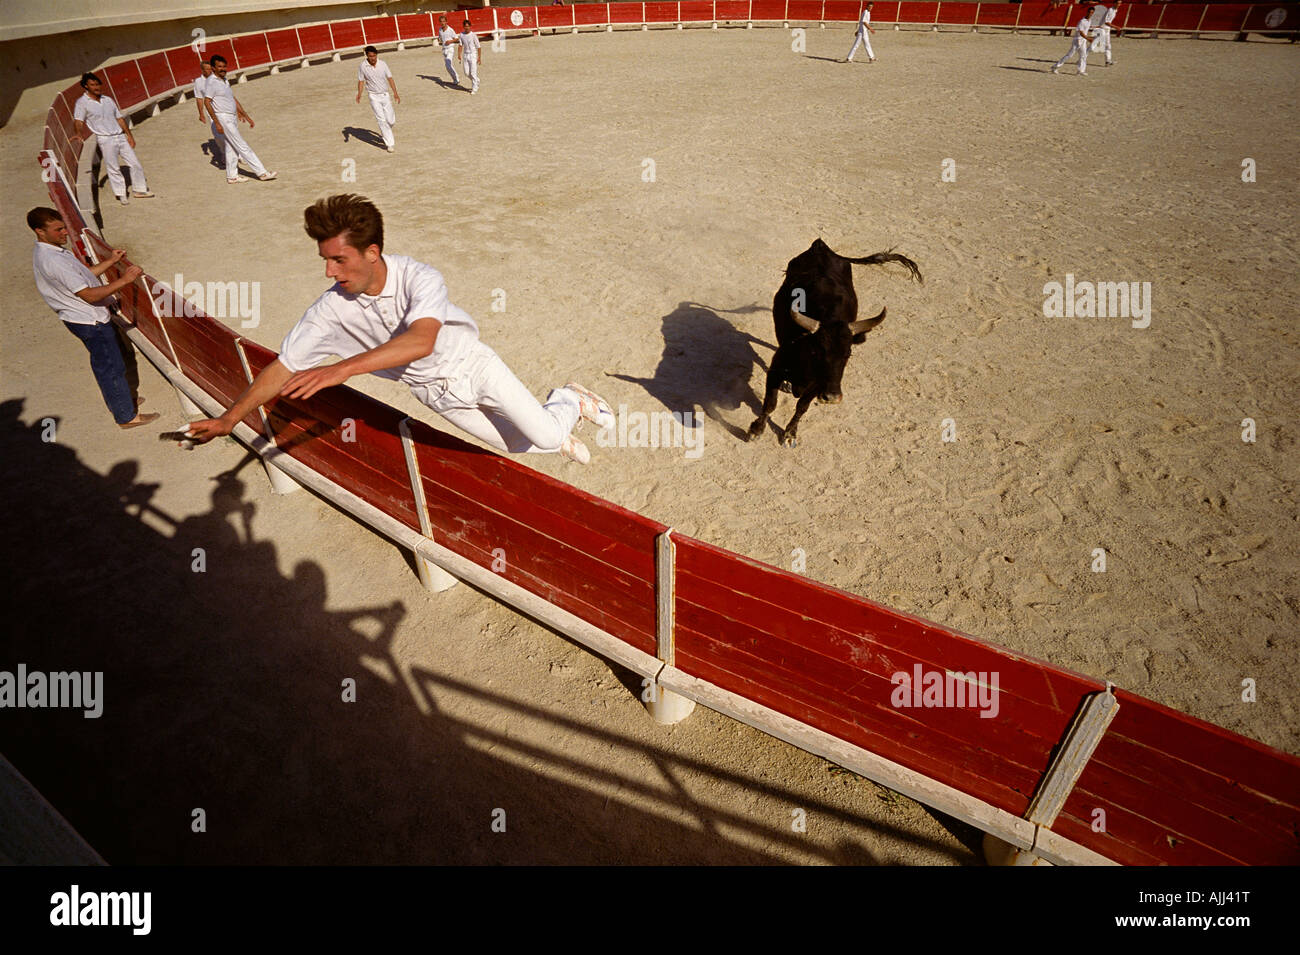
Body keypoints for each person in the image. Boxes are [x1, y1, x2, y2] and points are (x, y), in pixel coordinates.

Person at [183, 195, 613, 464]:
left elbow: (421, 340)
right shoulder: (328, 311)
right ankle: (553, 427)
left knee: (544, 435)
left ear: (372, 252)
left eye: (338, 260)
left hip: (473, 366)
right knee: (517, 447)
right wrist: (229, 418)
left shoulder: (420, 277)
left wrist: (342, 369)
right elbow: (283, 368)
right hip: (434, 393)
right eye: (325, 260)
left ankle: (568, 400)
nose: (329, 272)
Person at [27, 207, 159, 429]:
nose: (64, 233)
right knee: (111, 367)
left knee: (106, 365)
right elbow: (88, 294)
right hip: (90, 320)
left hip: (80, 318)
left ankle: (120, 402)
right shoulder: (54, 260)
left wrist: (110, 261)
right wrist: (125, 280)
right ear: (40, 231)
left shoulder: (50, 252)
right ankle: (126, 416)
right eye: (58, 229)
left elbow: (84, 277)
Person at [72, 73, 154, 206]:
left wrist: (129, 136)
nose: (97, 87)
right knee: (113, 167)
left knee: (135, 163)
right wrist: (78, 133)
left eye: (98, 84)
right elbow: (79, 121)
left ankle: (139, 190)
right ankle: (121, 194)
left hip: (119, 136)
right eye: (93, 85)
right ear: (86, 86)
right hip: (105, 139)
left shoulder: (108, 99)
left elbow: (119, 119)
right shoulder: (82, 103)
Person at [203, 55, 277, 183]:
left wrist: (244, 114)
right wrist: (217, 122)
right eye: (219, 67)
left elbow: (232, 98)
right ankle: (262, 172)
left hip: (230, 116)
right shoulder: (211, 82)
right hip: (223, 118)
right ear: (213, 68)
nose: (223, 69)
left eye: (224, 66)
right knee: (242, 146)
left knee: (231, 147)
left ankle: (232, 176)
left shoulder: (224, 80)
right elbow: (207, 102)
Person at [356, 46, 400, 153]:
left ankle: (385, 132)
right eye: (370, 56)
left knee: (390, 120)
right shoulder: (362, 66)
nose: (373, 58)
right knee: (381, 119)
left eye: (374, 56)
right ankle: (389, 144)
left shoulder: (383, 64)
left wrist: (395, 93)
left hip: (385, 95)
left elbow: (390, 78)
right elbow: (361, 81)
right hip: (373, 96)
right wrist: (359, 93)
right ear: (367, 56)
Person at [1051, 6, 1095, 75]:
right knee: (1069, 55)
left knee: (1083, 55)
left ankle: (1081, 70)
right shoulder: (1082, 21)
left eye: (1092, 13)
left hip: (1083, 41)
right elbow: (1081, 32)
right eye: (1089, 12)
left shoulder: (1089, 21)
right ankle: (1055, 66)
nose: (1090, 14)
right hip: (1077, 40)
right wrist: (1088, 38)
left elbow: (1086, 30)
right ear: (1087, 12)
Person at [459, 20, 481, 95]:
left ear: (470, 26)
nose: (467, 28)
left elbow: (478, 46)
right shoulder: (461, 35)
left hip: (473, 55)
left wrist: (479, 57)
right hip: (465, 55)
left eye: (468, 26)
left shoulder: (473, 35)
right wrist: (459, 55)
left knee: (473, 72)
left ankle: (474, 88)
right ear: (463, 27)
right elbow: (460, 45)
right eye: (465, 26)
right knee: (466, 73)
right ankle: (477, 80)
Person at [437, 15, 460, 86]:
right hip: (444, 49)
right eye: (441, 22)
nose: (442, 23)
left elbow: (457, 38)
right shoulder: (440, 30)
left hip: (450, 48)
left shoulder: (450, 30)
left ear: (446, 22)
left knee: (448, 64)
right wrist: (439, 39)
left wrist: (450, 41)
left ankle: (457, 78)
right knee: (448, 66)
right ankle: (455, 79)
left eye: (444, 21)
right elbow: (440, 37)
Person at [1096, 1, 1119, 66]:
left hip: (1106, 29)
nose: (1118, 5)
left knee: (1107, 45)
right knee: (1095, 45)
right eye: (1117, 3)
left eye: (1120, 3)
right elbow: (1106, 22)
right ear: (1114, 3)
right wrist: (1116, 27)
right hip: (1103, 29)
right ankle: (1082, 58)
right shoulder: (1110, 10)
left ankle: (1108, 60)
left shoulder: (1115, 10)